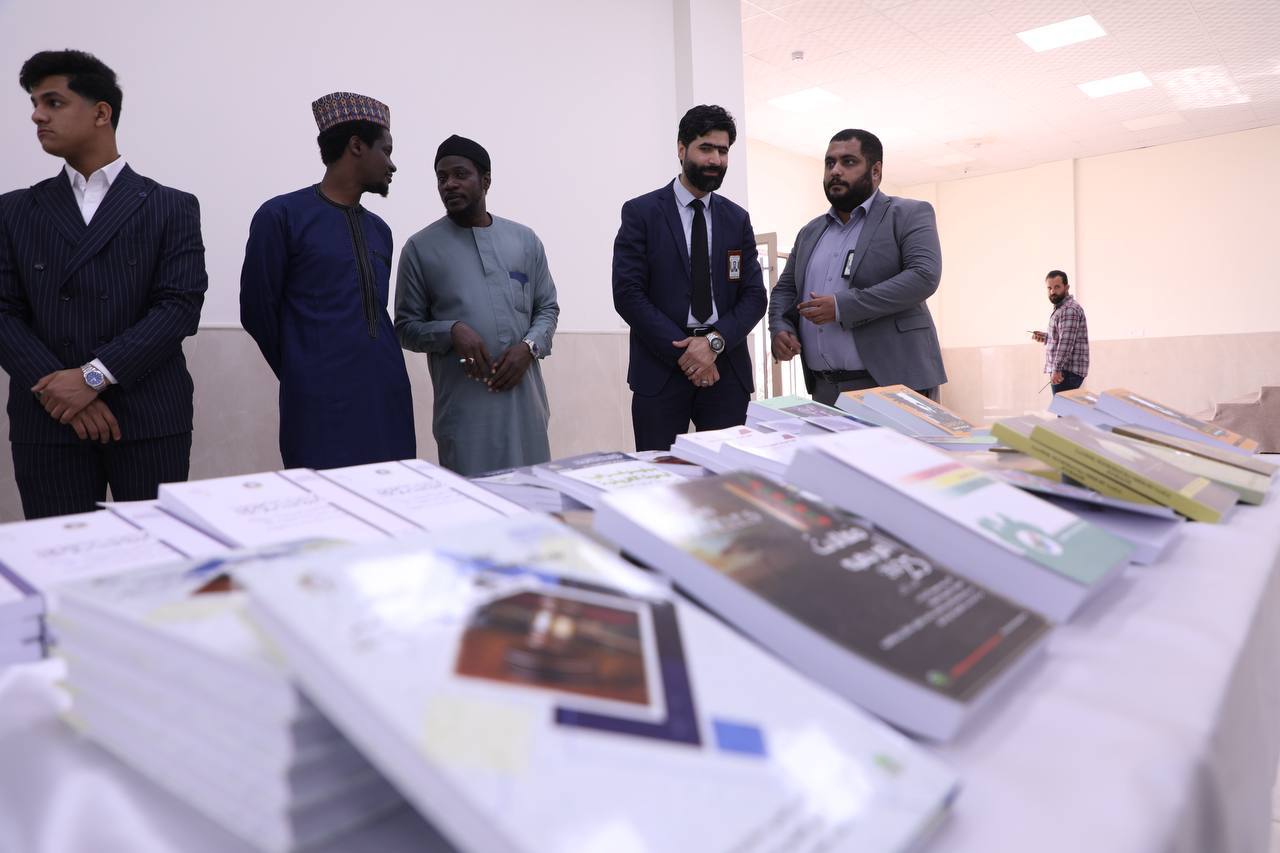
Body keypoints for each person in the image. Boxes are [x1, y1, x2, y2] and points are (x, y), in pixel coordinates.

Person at [0, 50, 207, 519]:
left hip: (148, 413)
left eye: (53, 102)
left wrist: (93, 377)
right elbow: (4, 313)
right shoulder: (14, 210)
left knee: (158, 551)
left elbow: (179, 307)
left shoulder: (171, 206)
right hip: (48, 419)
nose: (37, 115)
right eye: (35, 103)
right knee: (62, 553)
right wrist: (63, 394)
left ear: (100, 113)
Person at [240, 92, 415, 470]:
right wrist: (305, 370)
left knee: (390, 496)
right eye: (386, 151)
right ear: (356, 146)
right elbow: (256, 311)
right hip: (319, 407)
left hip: (387, 398)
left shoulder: (380, 231)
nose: (392, 164)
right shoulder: (281, 216)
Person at [395, 135, 559, 475]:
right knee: (474, 498)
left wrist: (529, 347)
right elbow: (405, 327)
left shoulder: (524, 241)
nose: (449, 184)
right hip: (466, 412)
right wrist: (451, 331)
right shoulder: (420, 249)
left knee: (534, 496)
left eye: (460, 174)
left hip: (524, 407)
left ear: (485, 181)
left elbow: (547, 308)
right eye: (442, 177)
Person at [612, 105, 766, 451]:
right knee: (662, 474)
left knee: (728, 476)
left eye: (723, 151)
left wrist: (712, 344)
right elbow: (628, 294)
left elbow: (755, 296)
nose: (715, 160)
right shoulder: (641, 213)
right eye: (705, 148)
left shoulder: (737, 219)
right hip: (661, 371)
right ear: (681, 149)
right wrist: (688, 354)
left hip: (726, 369)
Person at [768, 128, 945, 406]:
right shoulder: (810, 232)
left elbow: (923, 276)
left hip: (894, 384)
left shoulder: (908, 214)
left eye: (848, 162)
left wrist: (842, 306)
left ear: (876, 171)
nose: (835, 171)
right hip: (824, 389)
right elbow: (786, 289)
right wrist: (780, 327)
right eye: (829, 163)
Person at [1031, 269, 1088, 394]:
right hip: (1065, 371)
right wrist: (1046, 337)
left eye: (1057, 287)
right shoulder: (1062, 309)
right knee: (1065, 407)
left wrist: (1057, 369)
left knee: (1063, 407)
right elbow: (1063, 337)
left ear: (1066, 287)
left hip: (1065, 372)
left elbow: (1065, 343)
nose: (1052, 291)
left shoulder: (1069, 310)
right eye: (1049, 288)